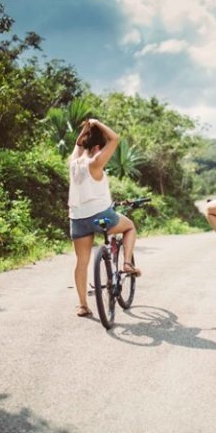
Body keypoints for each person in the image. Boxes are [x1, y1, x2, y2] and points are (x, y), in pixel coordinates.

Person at [68, 119, 141, 318]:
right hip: (100, 219)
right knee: (129, 227)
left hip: (78, 220)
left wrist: (86, 129)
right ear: (98, 148)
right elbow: (115, 138)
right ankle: (127, 263)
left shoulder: (74, 163)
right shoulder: (95, 163)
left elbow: (77, 144)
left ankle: (83, 305)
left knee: (81, 262)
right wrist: (96, 123)